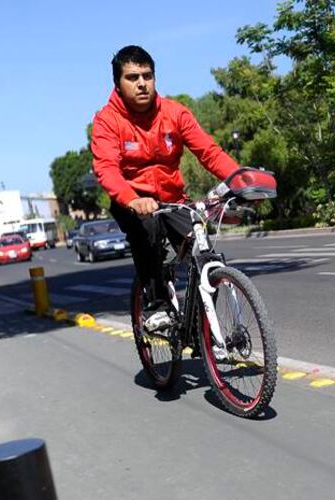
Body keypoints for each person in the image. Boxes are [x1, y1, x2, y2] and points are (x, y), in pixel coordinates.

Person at [90, 45, 240, 331]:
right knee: (148, 228)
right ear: (118, 84)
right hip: (132, 201)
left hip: (173, 201)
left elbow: (209, 152)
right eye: (132, 77)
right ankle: (156, 306)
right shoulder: (107, 121)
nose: (142, 83)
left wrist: (240, 181)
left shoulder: (174, 113)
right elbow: (107, 169)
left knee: (205, 252)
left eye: (147, 75)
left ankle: (204, 329)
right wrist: (132, 199)